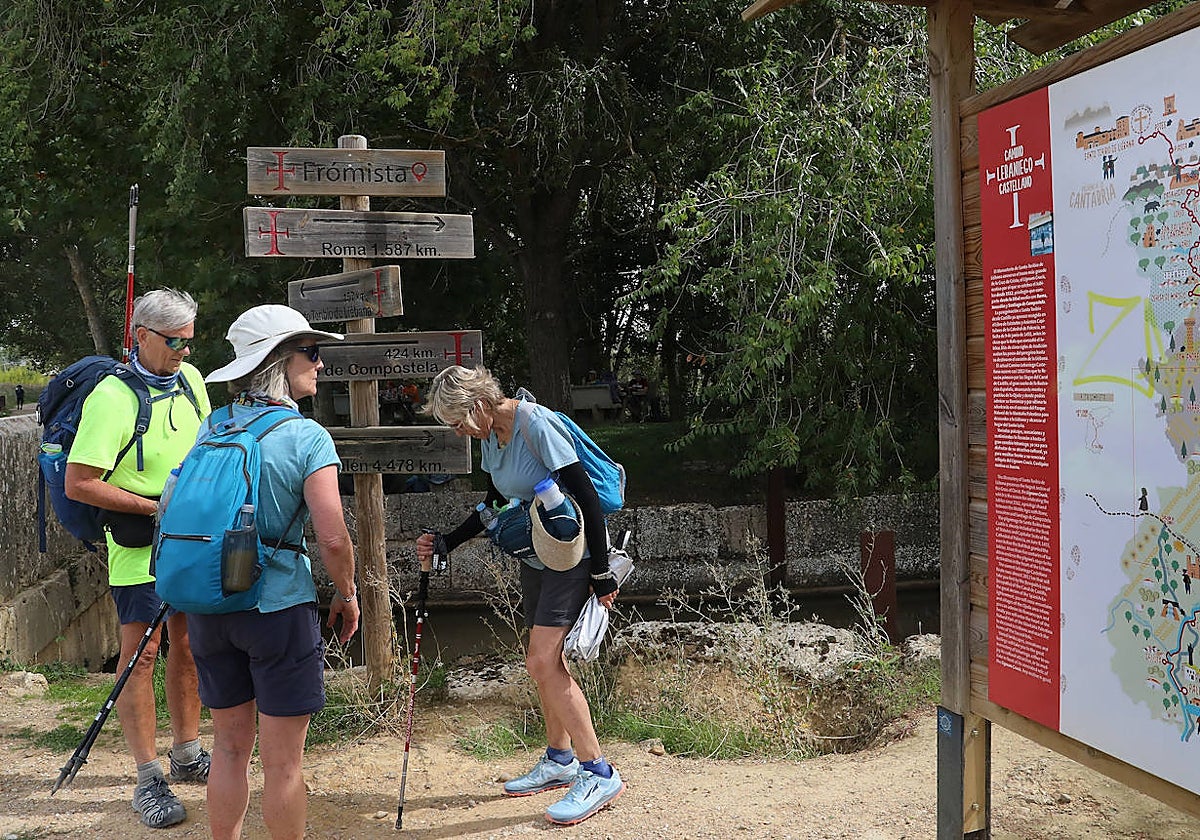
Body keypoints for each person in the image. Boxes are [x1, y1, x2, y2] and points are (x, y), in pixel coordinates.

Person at [417, 365, 625, 826]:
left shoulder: (535, 424)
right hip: (537, 557)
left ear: (475, 406)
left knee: (540, 661)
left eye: (456, 422)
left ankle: (599, 771)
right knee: (548, 663)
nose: (457, 432)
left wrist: (602, 571)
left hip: (572, 557)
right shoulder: (491, 438)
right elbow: (495, 502)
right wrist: (450, 539)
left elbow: (588, 498)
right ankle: (559, 759)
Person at [196, 304, 360, 840]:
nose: (319, 363)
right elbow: (333, 536)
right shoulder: (305, 436)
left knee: (227, 746)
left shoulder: (214, 423)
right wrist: (347, 593)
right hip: (276, 605)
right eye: (310, 352)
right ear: (279, 361)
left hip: (210, 605)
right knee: (284, 763)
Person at [64, 289, 212, 829]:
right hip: (140, 544)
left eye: (189, 342)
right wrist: (154, 508)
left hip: (190, 541)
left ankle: (189, 752)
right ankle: (148, 777)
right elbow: (79, 483)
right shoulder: (112, 397)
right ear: (141, 336)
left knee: (191, 645)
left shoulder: (193, 383)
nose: (183, 353)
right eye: (173, 342)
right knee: (140, 657)